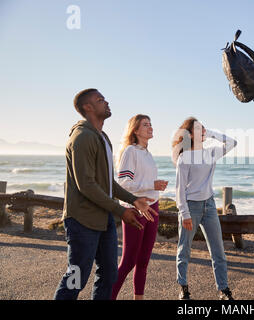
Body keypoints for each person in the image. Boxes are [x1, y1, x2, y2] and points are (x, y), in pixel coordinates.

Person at [54, 89, 158, 300]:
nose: (106, 102)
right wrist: (121, 210)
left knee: (109, 275)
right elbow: (87, 185)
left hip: (104, 220)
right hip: (82, 220)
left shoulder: (103, 138)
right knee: (76, 278)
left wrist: (133, 200)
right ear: (88, 107)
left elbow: (108, 183)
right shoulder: (82, 138)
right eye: (100, 100)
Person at [172, 117, 237, 300]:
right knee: (184, 249)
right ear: (190, 134)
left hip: (209, 205)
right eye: (199, 129)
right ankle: (183, 287)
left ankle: (223, 290)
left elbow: (233, 142)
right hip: (190, 207)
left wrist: (212, 133)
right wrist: (184, 213)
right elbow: (179, 189)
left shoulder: (211, 152)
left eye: (203, 128)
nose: (203, 131)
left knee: (218, 251)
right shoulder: (184, 157)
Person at [111, 114, 168, 300]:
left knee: (143, 261)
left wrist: (154, 187)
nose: (150, 127)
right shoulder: (130, 151)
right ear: (135, 130)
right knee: (128, 262)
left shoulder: (147, 154)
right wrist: (152, 185)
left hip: (153, 207)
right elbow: (123, 184)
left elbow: (142, 181)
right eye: (145, 125)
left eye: (151, 124)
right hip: (136, 210)